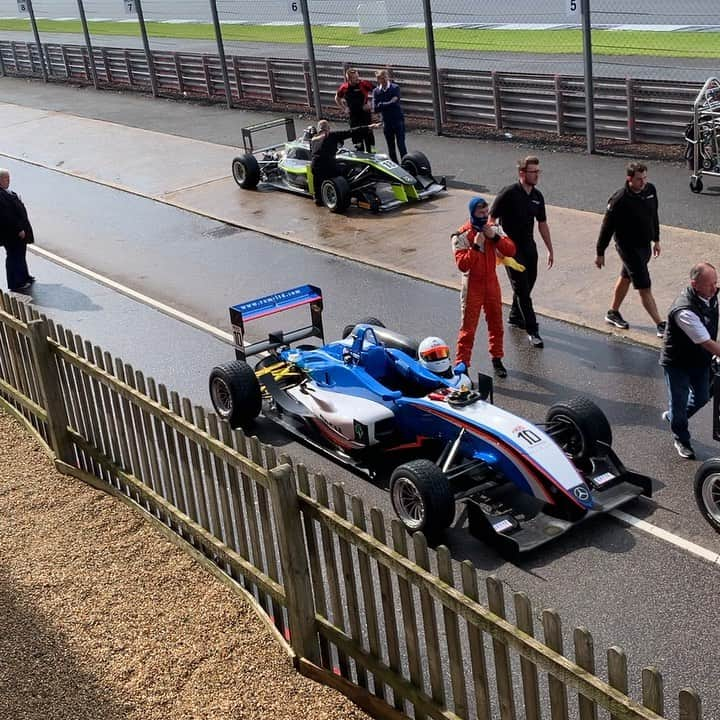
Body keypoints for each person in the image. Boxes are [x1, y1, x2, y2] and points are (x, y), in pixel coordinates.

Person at [595, 161, 666, 338]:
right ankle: (660, 324)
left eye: (645, 178)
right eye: (639, 179)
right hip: (628, 248)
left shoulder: (650, 190)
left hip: (645, 246)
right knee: (644, 286)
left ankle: (612, 313)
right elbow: (606, 227)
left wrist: (656, 239)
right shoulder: (619, 199)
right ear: (629, 179)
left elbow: (654, 215)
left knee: (626, 277)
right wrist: (600, 252)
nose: (643, 183)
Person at [490, 156, 553, 349]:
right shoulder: (508, 193)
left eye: (538, 172)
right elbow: (491, 219)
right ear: (522, 173)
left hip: (529, 247)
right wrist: (497, 246)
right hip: (510, 249)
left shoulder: (537, 196)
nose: (536, 175)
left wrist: (550, 249)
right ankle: (532, 330)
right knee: (522, 290)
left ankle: (516, 316)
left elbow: (542, 224)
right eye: (533, 172)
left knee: (529, 282)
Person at [660, 262, 720, 460]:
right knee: (679, 401)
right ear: (695, 285)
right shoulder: (684, 311)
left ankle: (674, 418)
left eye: (716, 282)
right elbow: (707, 342)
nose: (715, 287)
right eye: (710, 284)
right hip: (677, 362)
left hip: (699, 360)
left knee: (702, 397)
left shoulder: (710, 294)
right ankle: (681, 438)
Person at [452, 197, 516, 379]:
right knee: (468, 327)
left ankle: (497, 358)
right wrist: (476, 245)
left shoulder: (493, 229)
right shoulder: (461, 235)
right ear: (473, 213)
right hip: (472, 284)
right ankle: (462, 364)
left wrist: (494, 237)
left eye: (486, 213)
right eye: (481, 213)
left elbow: (511, 250)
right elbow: (462, 265)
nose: (485, 216)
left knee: (496, 323)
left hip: (491, 283)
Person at [309, 119, 381, 206]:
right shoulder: (332, 135)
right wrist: (369, 127)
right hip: (328, 168)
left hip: (315, 167)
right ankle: (352, 191)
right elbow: (351, 131)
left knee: (317, 172)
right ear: (328, 128)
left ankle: (317, 198)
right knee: (347, 168)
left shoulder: (313, 139)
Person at [0, 168, 34, 292]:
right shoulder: (1, 195)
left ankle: (25, 277)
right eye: (5, 178)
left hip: (16, 232)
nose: (8, 181)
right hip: (12, 234)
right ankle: (16, 283)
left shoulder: (6, 192)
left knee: (20, 255)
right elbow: (6, 216)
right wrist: (19, 229)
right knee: (14, 256)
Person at [334, 68, 376, 153]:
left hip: (365, 116)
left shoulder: (364, 84)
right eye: (355, 78)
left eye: (358, 76)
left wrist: (371, 104)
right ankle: (359, 156)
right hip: (354, 117)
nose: (358, 79)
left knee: (369, 138)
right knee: (357, 139)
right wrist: (344, 108)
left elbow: (377, 92)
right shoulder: (344, 87)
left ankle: (372, 155)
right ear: (349, 79)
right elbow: (337, 98)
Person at [371, 69, 407, 164]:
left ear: (387, 77)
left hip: (398, 120)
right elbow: (375, 109)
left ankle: (406, 165)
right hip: (387, 122)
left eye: (385, 78)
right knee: (391, 147)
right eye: (381, 79)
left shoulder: (395, 88)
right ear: (378, 79)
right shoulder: (376, 91)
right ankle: (396, 165)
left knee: (401, 145)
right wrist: (388, 103)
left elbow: (395, 102)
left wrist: (382, 104)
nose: (384, 80)